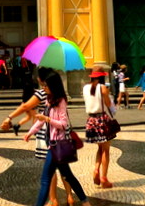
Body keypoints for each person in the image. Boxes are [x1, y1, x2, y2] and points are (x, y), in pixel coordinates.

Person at [1, 67, 73, 206]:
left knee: (50, 168)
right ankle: (70, 195)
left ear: (40, 79)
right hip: (62, 131)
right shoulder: (59, 92)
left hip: (47, 131)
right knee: (63, 166)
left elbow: (25, 106)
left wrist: (9, 117)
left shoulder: (41, 93)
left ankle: (53, 199)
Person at [25, 71, 92, 206]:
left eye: (46, 86)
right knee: (68, 176)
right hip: (53, 144)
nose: (44, 88)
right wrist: (30, 132)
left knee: (45, 179)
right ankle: (85, 202)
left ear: (53, 86)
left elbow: (63, 124)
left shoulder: (61, 101)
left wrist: (48, 119)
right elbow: (41, 120)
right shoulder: (49, 100)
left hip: (57, 145)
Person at [83, 66, 116, 189]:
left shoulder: (85, 87)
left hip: (91, 121)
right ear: (102, 77)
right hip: (102, 120)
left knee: (100, 148)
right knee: (106, 150)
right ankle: (104, 178)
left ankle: (96, 169)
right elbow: (108, 104)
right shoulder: (103, 88)